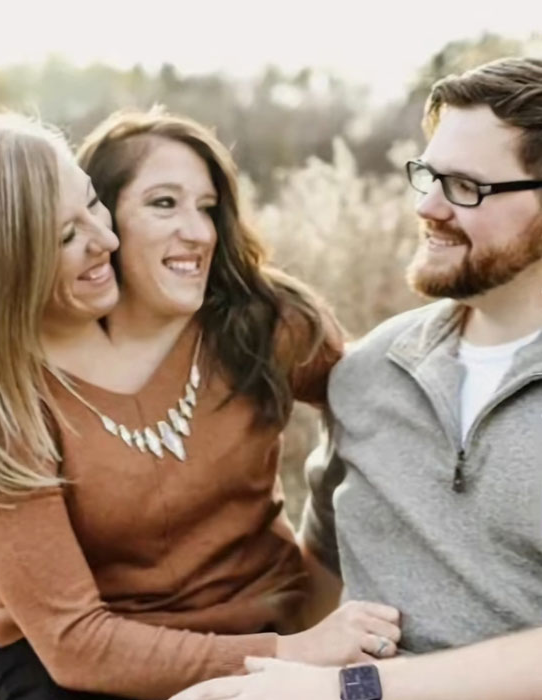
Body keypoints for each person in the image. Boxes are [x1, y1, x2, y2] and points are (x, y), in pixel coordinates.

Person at [0, 111, 400, 700]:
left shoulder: (254, 324)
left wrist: (329, 555)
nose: (105, 241)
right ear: (3, 267)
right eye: (67, 236)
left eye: (93, 206)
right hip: (85, 670)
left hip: (260, 629)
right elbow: (77, 646)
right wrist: (292, 653)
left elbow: (388, 407)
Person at [168, 56, 542, 700]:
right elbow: (319, 582)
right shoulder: (370, 372)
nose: (427, 206)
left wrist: (353, 689)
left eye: (465, 187)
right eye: (428, 176)